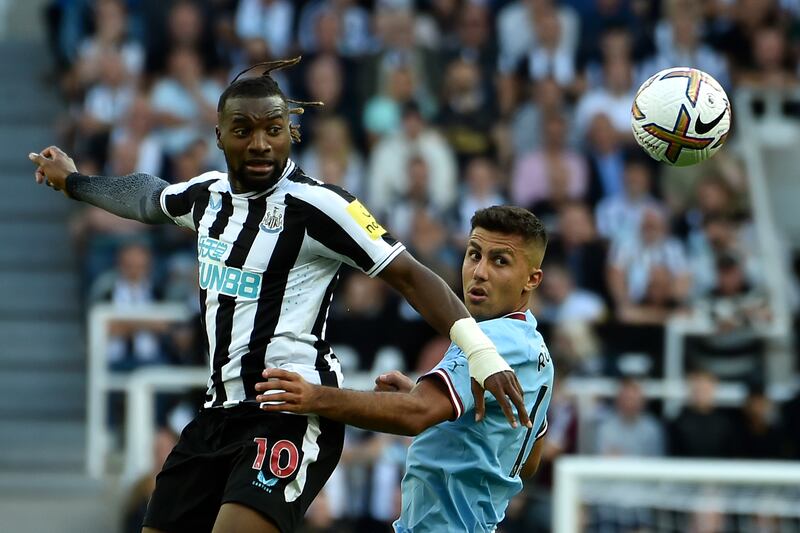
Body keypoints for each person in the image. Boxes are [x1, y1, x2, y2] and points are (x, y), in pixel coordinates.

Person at [28, 58, 529, 533]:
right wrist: (73, 181)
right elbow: (145, 196)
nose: (261, 143)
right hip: (217, 414)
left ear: (292, 131)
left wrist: (481, 353)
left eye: (273, 128)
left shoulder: (322, 206)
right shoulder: (207, 198)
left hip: (290, 409)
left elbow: (413, 277)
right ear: (219, 135)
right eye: (243, 130)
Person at [255, 206, 555, 532]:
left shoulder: (494, 341)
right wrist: (435, 407)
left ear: (532, 279)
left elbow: (415, 414)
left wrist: (313, 397)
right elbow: (528, 461)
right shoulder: (535, 349)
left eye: (500, 261)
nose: (479, 272)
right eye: (474, 254)